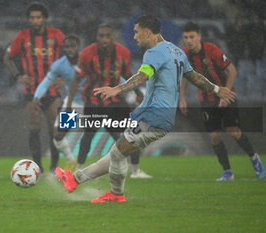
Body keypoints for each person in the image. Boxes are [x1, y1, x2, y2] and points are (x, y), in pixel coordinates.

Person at [55, 15, 236, 203]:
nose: (134, 37)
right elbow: (195, 77)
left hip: (154, 116)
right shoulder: (176, 51)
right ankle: (83, 182)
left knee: (117, 153)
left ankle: (102, 189)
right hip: (160, 116)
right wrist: (217, 89)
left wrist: (116, 89)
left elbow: (143, 76)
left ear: (147, 32)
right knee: (117, 152)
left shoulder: (154, 53)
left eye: (136, 32)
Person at [179, 22, 264, 181]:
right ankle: (227, 172)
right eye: (186, 37)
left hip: (226, 95)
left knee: (234, 132)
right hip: (207, 100)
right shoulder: (184, 55)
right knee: (214, 136)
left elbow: (232, 70)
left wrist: (225, 94)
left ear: (199, 37)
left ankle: (254, 159)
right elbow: (186, 76)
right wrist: (182, 98)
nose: (188, 40)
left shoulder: (212, 50)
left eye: (192, 37)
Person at [65, 24, 152, 179]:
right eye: (101, 36)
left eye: (107, 36)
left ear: (113, 37)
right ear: (97, 37)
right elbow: (77, 79)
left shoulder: (123, 53)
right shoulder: (87, 54)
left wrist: (138, 93)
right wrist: (69, 104)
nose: (104, 39)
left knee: (130, 134)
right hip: (94, 102)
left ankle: (136, 171)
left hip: (116, 101)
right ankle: (78, 169)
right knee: (88, 135)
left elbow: (126, 73)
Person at [3, 2, 65, 175]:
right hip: (31, 91)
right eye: (32, 18)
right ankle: (38, 167)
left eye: (38, 17)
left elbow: (72, 55)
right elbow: (7, 58)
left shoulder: (56, 35)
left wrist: (64, 77)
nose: (35, 20)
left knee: (54, 128)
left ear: (44, 18)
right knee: (34, 128)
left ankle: (54, 167)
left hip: (52, 91)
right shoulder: (22, 37)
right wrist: (18, 76)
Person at [32, 35, 84, 171]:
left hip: (94, 102)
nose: (70, 49)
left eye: (73, 46)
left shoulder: (88, 60)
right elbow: (46, 82)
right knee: (57, 135)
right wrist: (36, 97)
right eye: (67, 46)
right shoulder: (59, 65)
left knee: (115, 133)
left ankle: (133, 168)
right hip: (73, 103)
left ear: (78, 47)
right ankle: (71, 160)